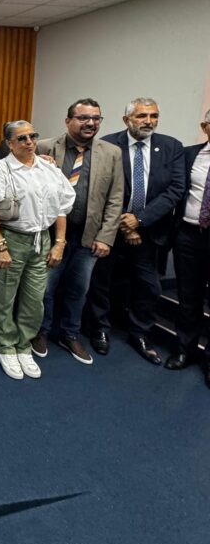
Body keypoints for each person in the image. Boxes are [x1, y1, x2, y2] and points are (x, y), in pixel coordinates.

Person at [86, 98, 184, 364]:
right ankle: (100, 328)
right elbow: (99, 188)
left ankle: (139, 332)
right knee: (101, 281)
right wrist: (124, 222)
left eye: (154, 116)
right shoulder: (107, 144)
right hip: (110, 227)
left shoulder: (172, 147)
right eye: (142, 116)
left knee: (148, 285)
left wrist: (139, 220)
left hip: (150, 230)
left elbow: (175, 189)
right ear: (126, 119)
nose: (148, 121)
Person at [0, 121, 75, 381]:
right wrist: (0, 246)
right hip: (10, 240)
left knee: (35, 300)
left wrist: (59, 243)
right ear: (9, 143)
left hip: (42, 239)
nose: (29, 142)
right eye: (22, 138)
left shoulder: (48, 167)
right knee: (4, 300)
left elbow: (62, 207)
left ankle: (24, 345)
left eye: (33, 136)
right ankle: (6, 347)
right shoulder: (2, 168)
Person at [33, 99, 123, 365]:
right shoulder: (44, 147)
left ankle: (70, 334)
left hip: (88, 238)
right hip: (51, 236)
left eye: (96, 118)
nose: (90, 123)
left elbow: (115, 198)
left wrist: (106, 237)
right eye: (84, 118)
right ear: (68, 120)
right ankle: (41, 331)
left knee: (78, 290)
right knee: (45, 289)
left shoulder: (112, 153)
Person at [165, 109, 210, 385]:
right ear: (205, 127)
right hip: (189, 236)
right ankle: (185, 350)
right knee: (188, 296)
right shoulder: (190, 154)